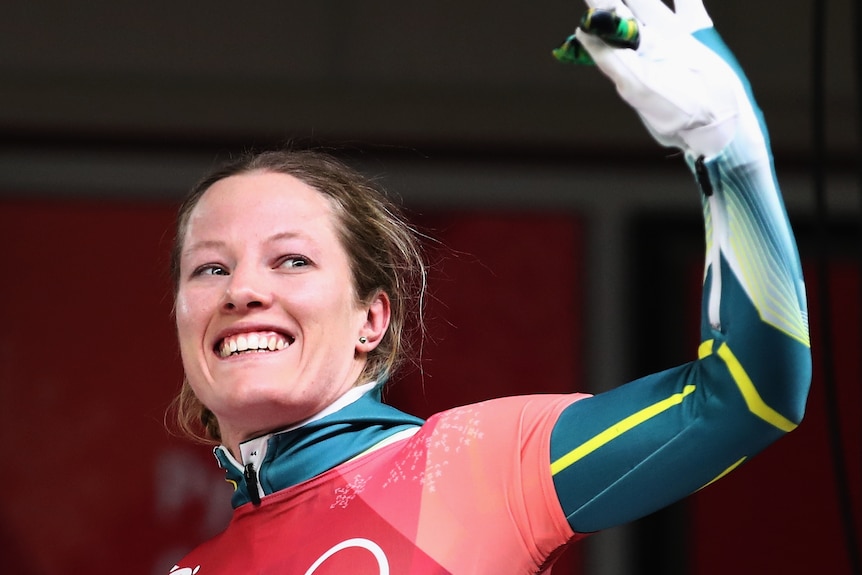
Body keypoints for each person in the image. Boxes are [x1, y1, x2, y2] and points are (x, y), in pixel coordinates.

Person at [167, 0, 811, 572]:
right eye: (211, 268)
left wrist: (729, 152)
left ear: (373, 319)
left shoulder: (471, 466)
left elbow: (745, 397)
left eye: (291, 261)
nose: (241, 291)